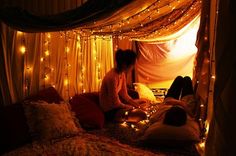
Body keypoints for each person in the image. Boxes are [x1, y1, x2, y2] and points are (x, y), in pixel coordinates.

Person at [99, 49, 148, 122]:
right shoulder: (112, 77)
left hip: (118, 107)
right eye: (132, 65)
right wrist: (132, 107)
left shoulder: (122, 74)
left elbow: (124, 95)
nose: (133, 67)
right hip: (111, 111)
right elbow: (115, 104)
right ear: (125, 64)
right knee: (142, 115)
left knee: (144, 101)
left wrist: (136, 105)